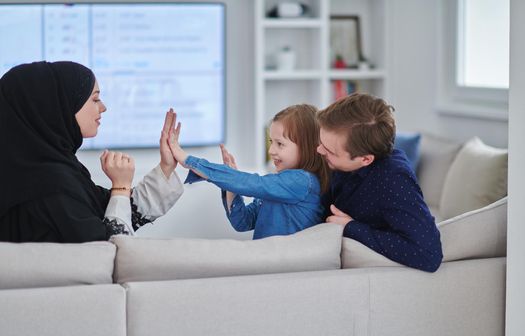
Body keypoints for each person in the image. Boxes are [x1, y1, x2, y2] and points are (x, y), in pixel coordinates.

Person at [0, 61, 184, 243]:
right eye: (95, 99)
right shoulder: (49, 186)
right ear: (57, 106)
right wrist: (120, 185)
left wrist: (166, 167)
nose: (103, 107)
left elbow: (113, 211)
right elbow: (110, 253)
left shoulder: (57, 170)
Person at [316, 93, 442, 272]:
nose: (319, 149)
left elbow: (428, 254)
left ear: (365, 159)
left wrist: (351, 227)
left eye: (329, 150)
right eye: (321, 141)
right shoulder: (341, 160)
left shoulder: (393, 180)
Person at [166, 104, 330, 239]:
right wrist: (231, 186)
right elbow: (243, 222)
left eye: (280, 144)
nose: (271, 150)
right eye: (271, 142)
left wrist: (188, 160)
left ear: (307, 146)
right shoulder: (279, 185)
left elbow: (253, 183)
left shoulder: (303, 181)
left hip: (287, 271)